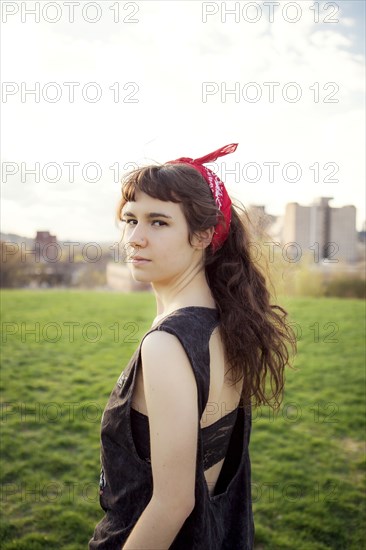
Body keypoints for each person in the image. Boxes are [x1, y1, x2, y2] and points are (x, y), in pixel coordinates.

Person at [89, 143, 297, 549]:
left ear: (203, 234)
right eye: (130, 220)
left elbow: (173, 503)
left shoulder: (168, 345)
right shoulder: (226, 322)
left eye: (158, 223)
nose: (135, 238)